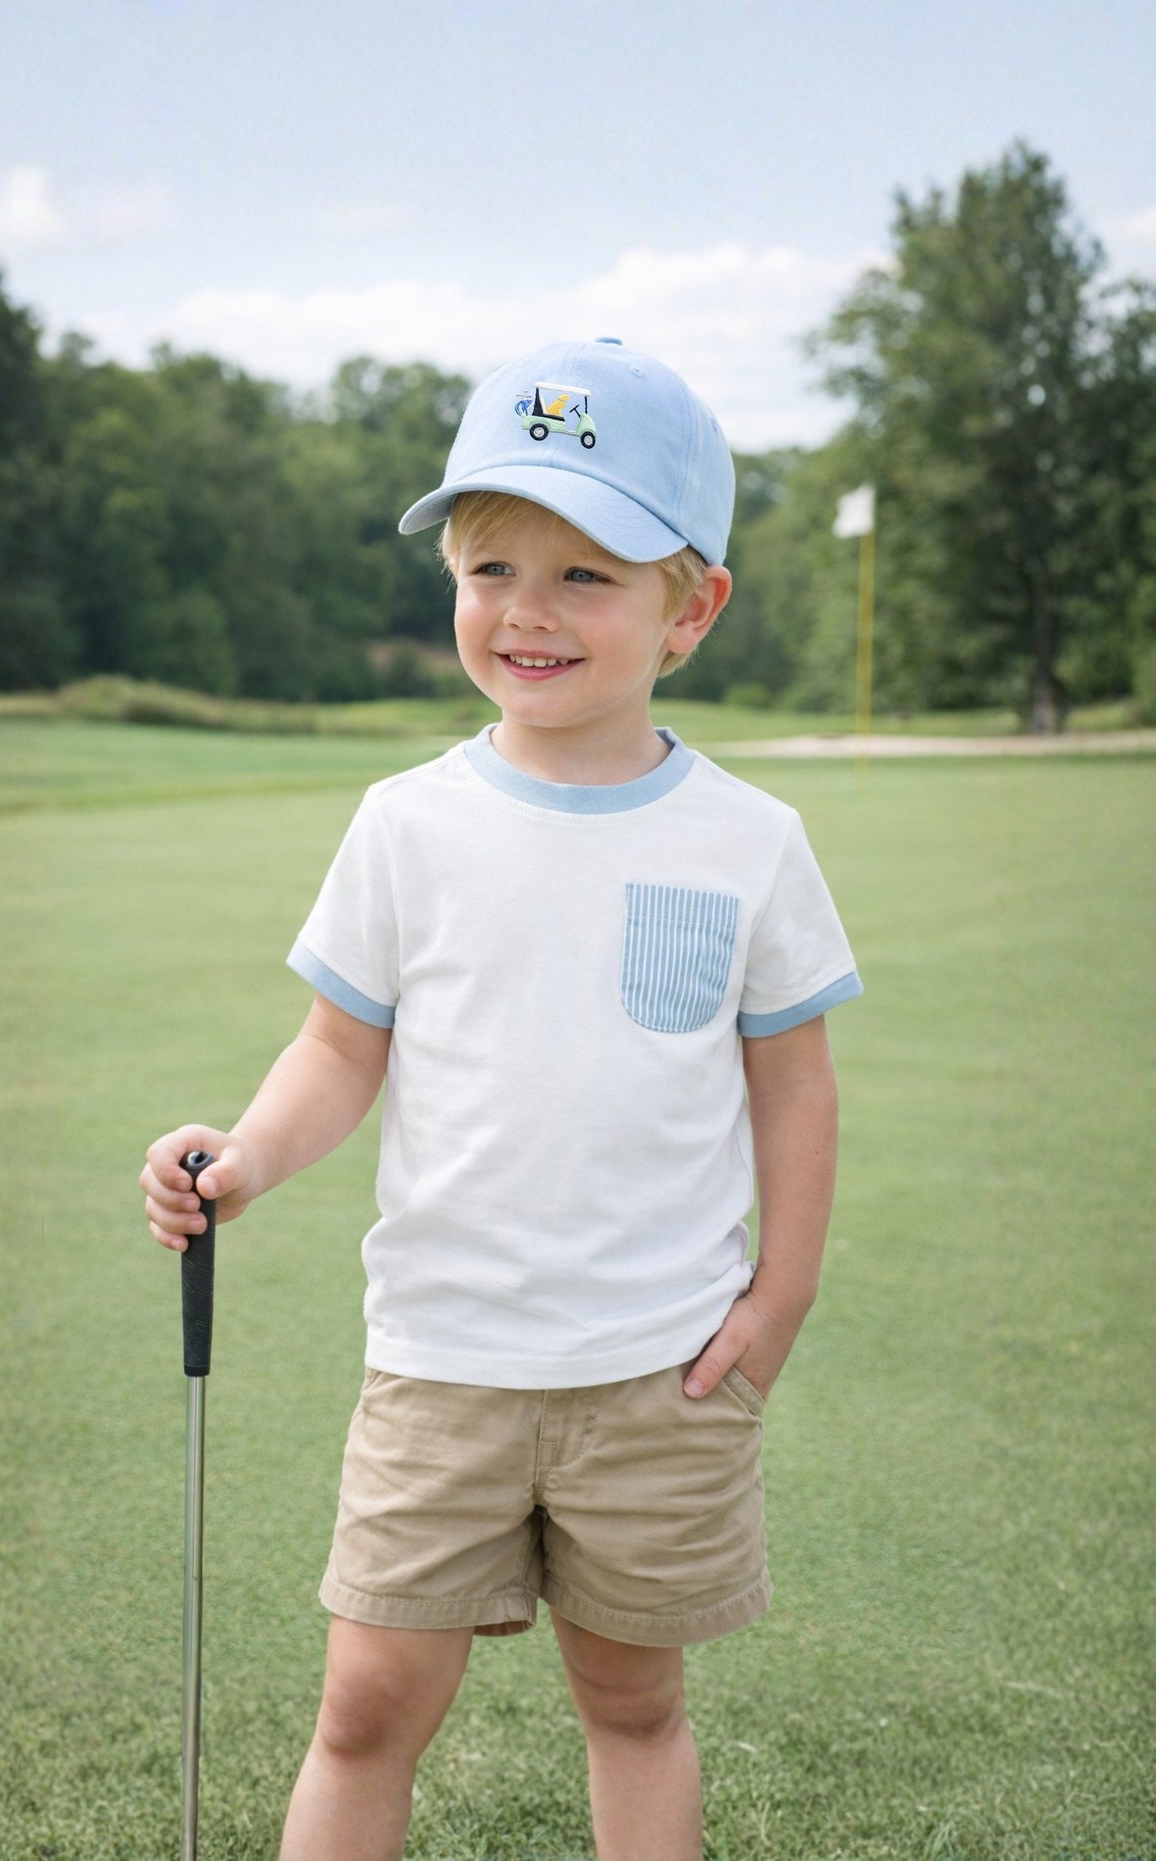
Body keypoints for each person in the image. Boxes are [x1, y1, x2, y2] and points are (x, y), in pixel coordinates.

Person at [141, 336, 863, 1861]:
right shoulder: (407, 823)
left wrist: (778, 1298)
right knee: (365, 1704)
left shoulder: (751, 841)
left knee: (631, 1699)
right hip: (441, 1362)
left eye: (586, 573)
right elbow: (339, 1050)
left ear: (692, 606)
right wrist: (250, 1155)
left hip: (658, 1370)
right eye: (489, 566)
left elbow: (792, 1087)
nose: (526, 610)